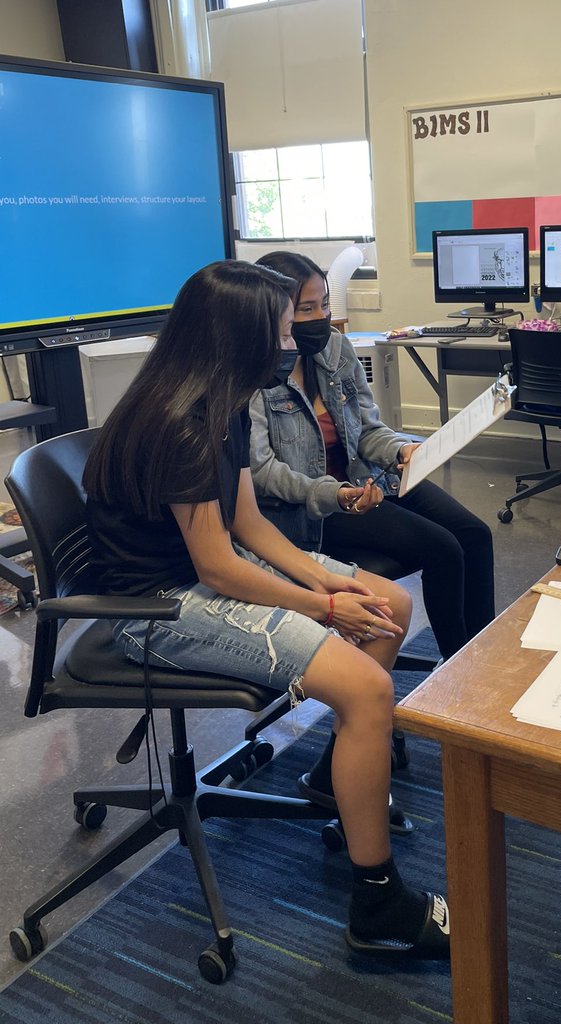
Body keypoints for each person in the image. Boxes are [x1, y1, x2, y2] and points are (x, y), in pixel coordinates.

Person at [83, 260, 449, 961]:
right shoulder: (180, 423)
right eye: (284, 328)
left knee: (390, 603)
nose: (297, 338)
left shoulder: (218, 399)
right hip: (155, 609)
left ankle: (334, 775)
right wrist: (322, 605)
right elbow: (217, 565)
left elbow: (247, 523)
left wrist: (334, 589)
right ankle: (377, 904)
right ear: (244, 337)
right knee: (369, 686)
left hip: (200, 574)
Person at [248, 250, 496, 662]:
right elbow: (262, 471)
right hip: (313, 509)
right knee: (444, 549)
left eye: (325, 304)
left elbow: (366, 430)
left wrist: (401, 448)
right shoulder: (256, 372)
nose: (321, 318)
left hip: (368, 483)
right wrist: (338, 493)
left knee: (475, 534)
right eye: (305, 309)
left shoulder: (336, 348)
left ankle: (483, 654)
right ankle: (459, 671)